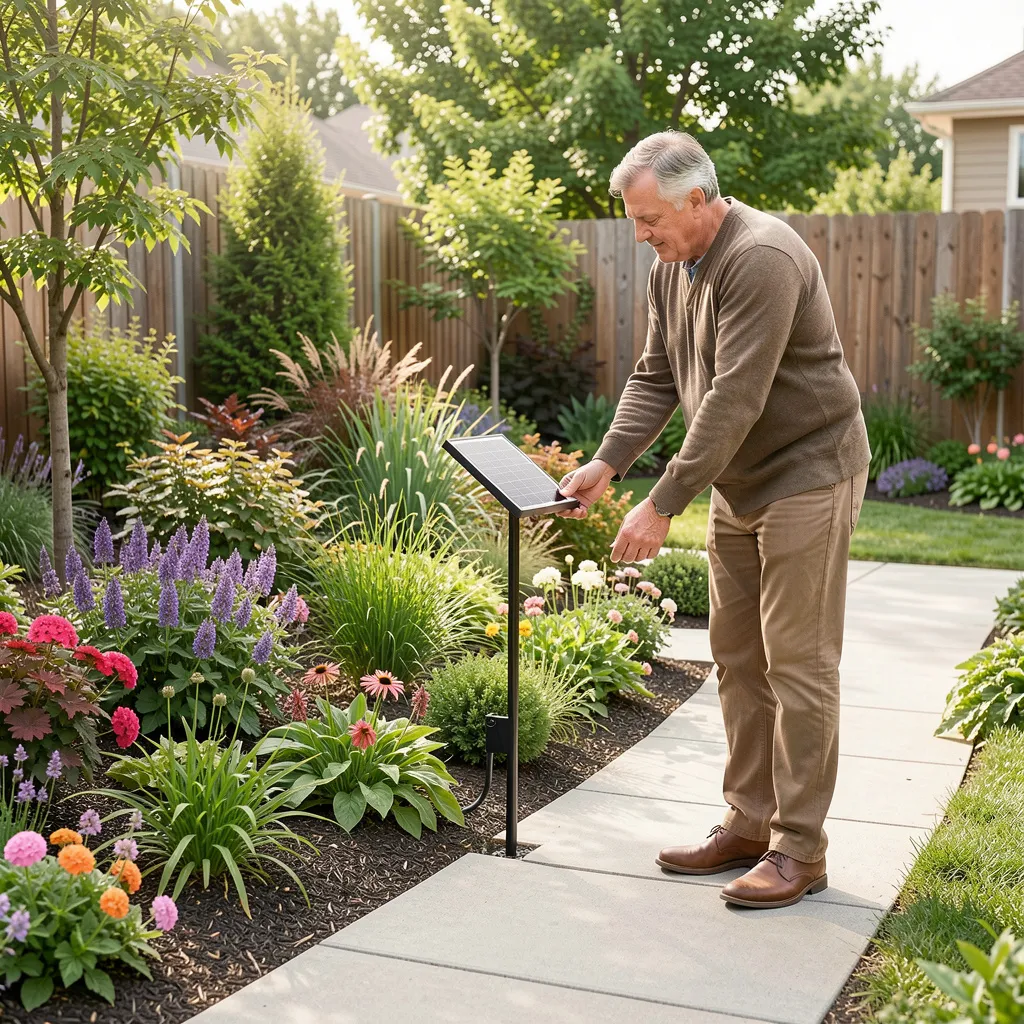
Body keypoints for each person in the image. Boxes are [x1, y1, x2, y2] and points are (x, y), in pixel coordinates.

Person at [557, 131, 870, 910]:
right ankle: (749, 823)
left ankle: (800, 849)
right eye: (633, 220)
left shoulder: (761, 256)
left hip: (808, 469)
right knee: (737, 656)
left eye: (649, 218)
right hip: (740, 479)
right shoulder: (672, 266)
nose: (640, 234)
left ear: (697, 199)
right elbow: (657, 375)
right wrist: (608, 462)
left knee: (798, 662)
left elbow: (735, 397)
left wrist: (662, 503)